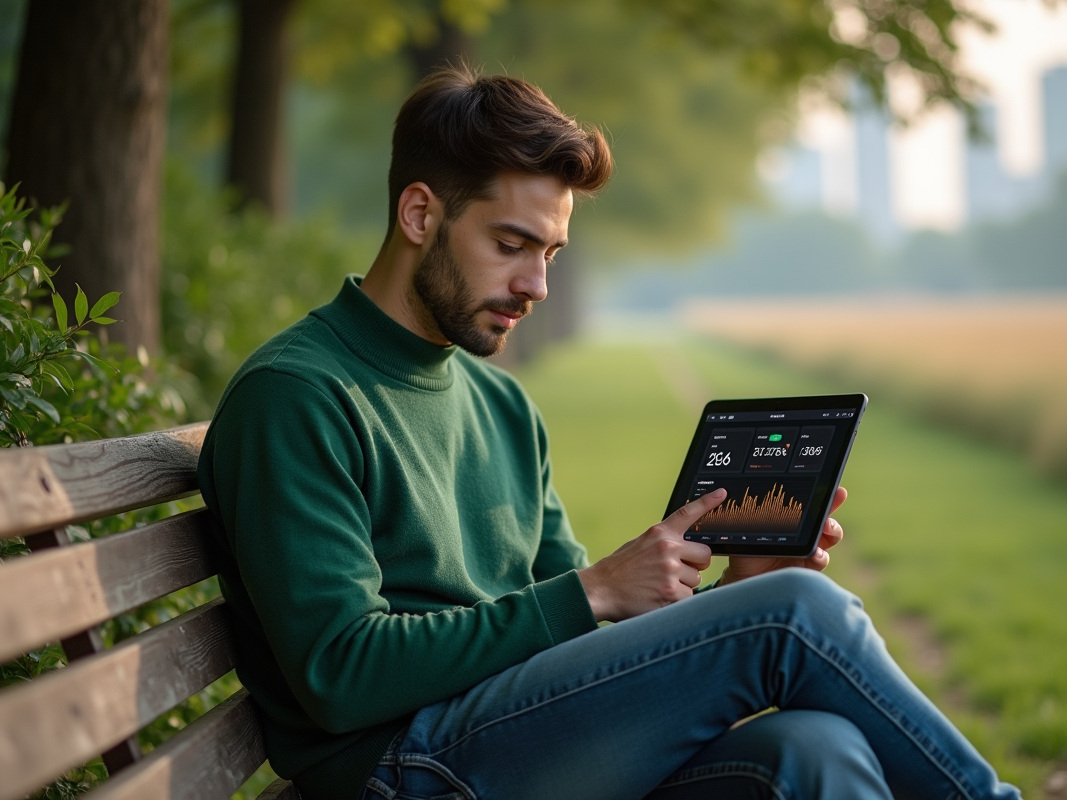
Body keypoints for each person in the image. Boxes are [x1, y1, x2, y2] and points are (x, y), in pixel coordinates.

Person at [198, 65, 1021, 800]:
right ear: (420, 212)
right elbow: (341, 673)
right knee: (798, 612)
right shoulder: (297, 396)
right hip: (405, 768)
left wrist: (738, 589)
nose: (537, 285)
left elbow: (571, 637)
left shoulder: (500, 404)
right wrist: (597, 590)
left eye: (551, 253)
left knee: (815, 746)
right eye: (511, 245)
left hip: (516, 743)